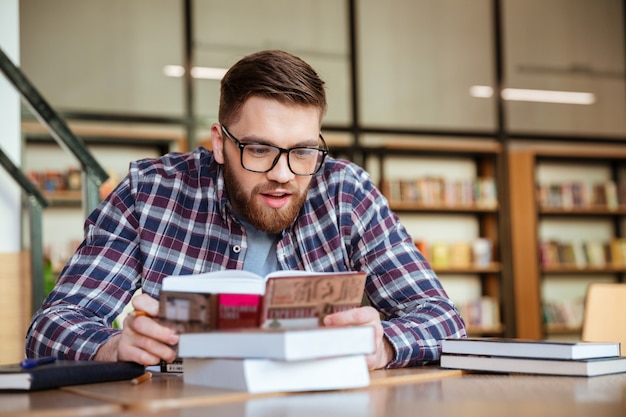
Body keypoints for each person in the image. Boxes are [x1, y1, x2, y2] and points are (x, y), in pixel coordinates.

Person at [25, 50, 466, 369]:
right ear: (220, 142)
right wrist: (114, 346)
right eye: (258, 149)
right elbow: (51, 326)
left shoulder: (345, 191)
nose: (283, 174)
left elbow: (443, 318)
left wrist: (383, 345)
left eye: (304, 151)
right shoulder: (150, 191)